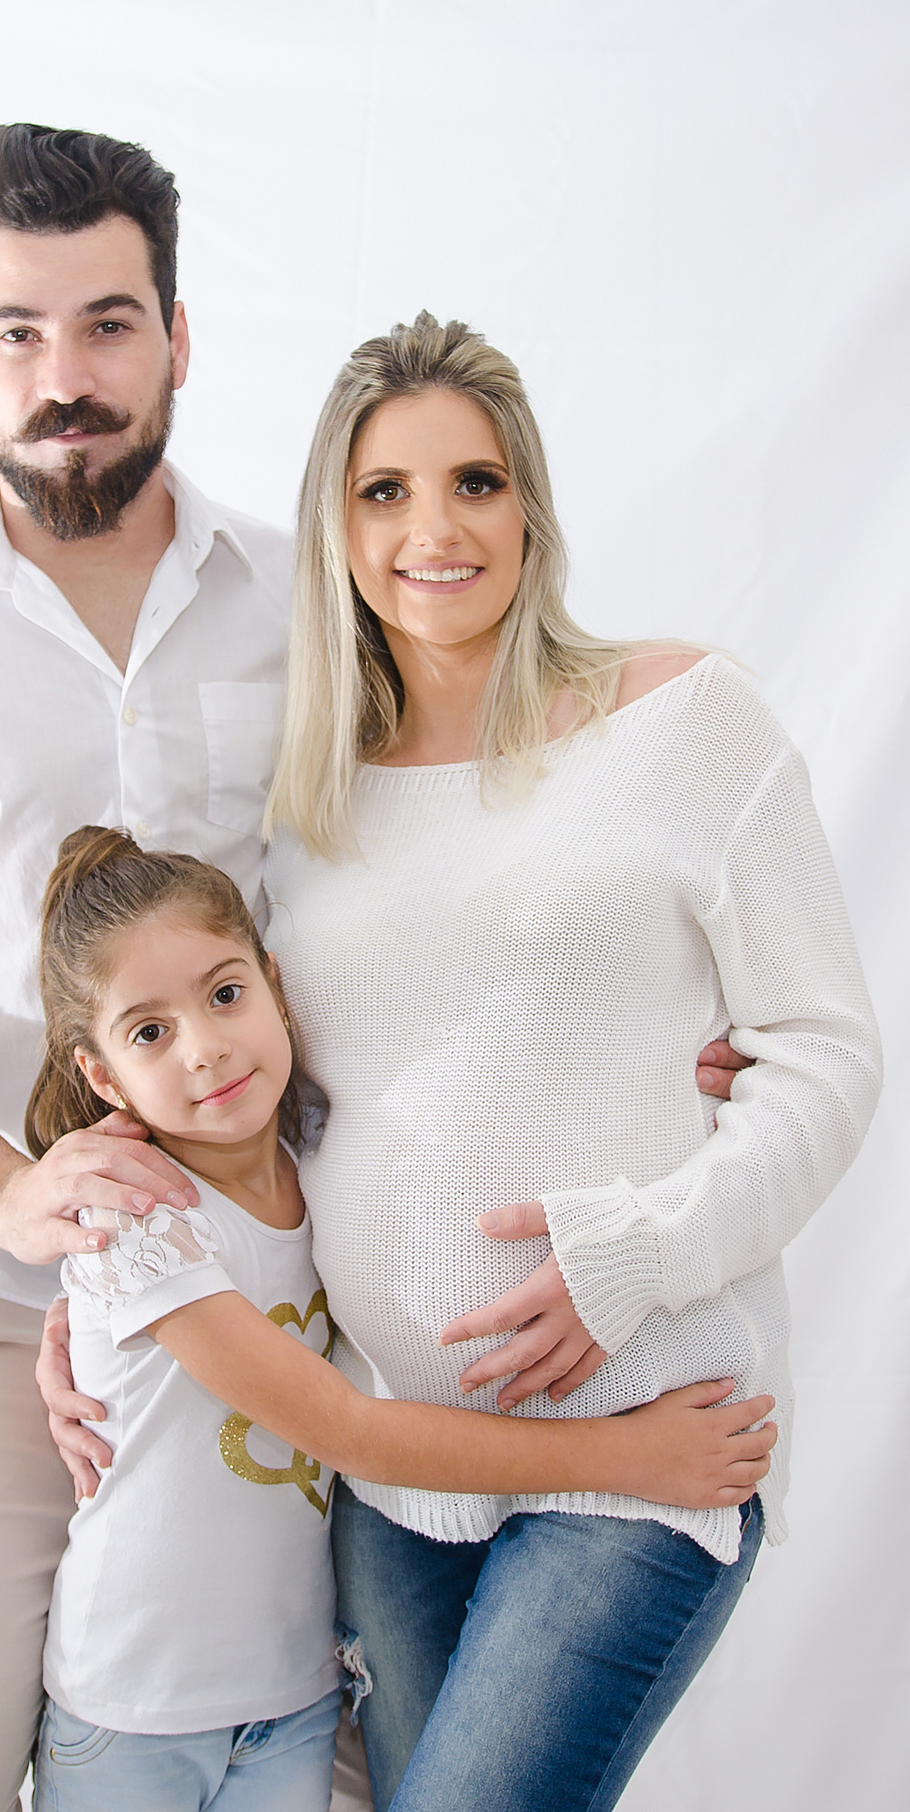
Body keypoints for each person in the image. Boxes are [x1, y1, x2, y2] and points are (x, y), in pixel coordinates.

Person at [0, 119, 744, 1809]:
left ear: (179, 337)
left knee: (342, 1762)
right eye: (19, 333)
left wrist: (667, 1031)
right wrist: (20, 1207)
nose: (66, 375)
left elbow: (460, 856)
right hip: (7, 1307)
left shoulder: (306, 609)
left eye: (109, 324)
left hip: (310, 1269)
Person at [261, 314, 882, 1810]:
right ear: (334, 530)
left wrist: (636, 1256)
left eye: (475, 481)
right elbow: (273, 1108)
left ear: (530, 505)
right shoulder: (306, 802)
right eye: (384, 492)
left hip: (648, 1426)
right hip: (401, 1462)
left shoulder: (685, 720)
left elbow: (826, 1056)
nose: (434, 529)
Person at [24, 824, 775, 1812]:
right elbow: (351, 1434)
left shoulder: (316, 1166)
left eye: (225, 993)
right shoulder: (140, 1230)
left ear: (275, 984)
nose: (205, 1047)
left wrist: (688, 1066)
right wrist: (629, 1457)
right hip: (133, 1707)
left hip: (289, 1700)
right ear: (106, 1080)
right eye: (151, 1032)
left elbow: (479, 1044)